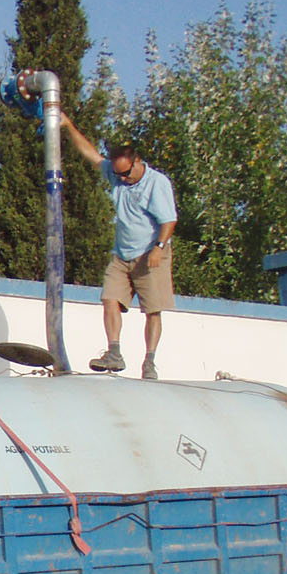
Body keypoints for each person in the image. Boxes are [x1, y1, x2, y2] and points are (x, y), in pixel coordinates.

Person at [60, 113, 178, 380]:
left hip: (151, 253)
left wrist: (159, 247)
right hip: (122, 254)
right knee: (109, 298)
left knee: (153, 309)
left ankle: (149, 362)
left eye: (125, 173)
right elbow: (91, 155)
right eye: (117, 174)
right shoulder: (116, 174)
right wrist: (68, 126)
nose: (121, 179)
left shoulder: (157, 183)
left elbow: (169, 220)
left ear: (137, 162)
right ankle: (114, 353)